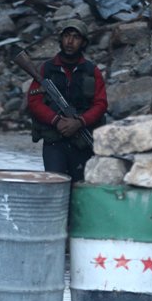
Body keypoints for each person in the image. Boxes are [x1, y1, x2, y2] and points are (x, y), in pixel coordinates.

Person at [26, 18, 108, 181]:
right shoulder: (47, 69)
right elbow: (34, 102)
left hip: (82, 142)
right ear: (60, 40)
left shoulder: (92, 71)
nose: (70, 41)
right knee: (55, 185)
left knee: (80, 188)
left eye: (76, 37)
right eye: (67, 36)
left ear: (83, 43)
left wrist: (79, 122)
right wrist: (56, 120)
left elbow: (101, 104)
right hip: (54, 140)